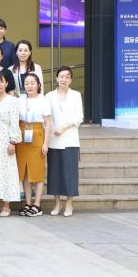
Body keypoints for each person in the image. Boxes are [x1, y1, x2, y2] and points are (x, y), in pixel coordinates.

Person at [46, 66, 83, 217]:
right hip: (53, 139)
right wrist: (53, 129)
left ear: (71, 80)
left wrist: (63, 127)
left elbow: (79, 117)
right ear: (56, 78)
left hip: (70, 139)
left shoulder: (76, 95)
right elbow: (46, 117)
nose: (64, 79)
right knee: (54, 173)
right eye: (61, 76)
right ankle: (57, 203)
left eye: (67, 77)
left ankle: (69, 203)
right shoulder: (49, 96)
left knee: (70, 173)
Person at [0, 70, 22, 217]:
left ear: (7, 83)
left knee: (6, 172)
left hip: (5, 141)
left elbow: (14, 123)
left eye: (1, 81)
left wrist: (13, 141)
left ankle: (6, 206)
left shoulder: (12, 101)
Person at [15, 72, 51, 217]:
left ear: (38, 85)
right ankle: (28, 203)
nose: (29, 86)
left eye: (32, 83)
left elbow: (48, 124)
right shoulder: (20, 100)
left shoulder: (44, 100)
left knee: (37, 172)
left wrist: (45, 143)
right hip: (22, 136)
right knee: (25, 172)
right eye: (26, 83)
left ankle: (37, 205)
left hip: (37, 135)